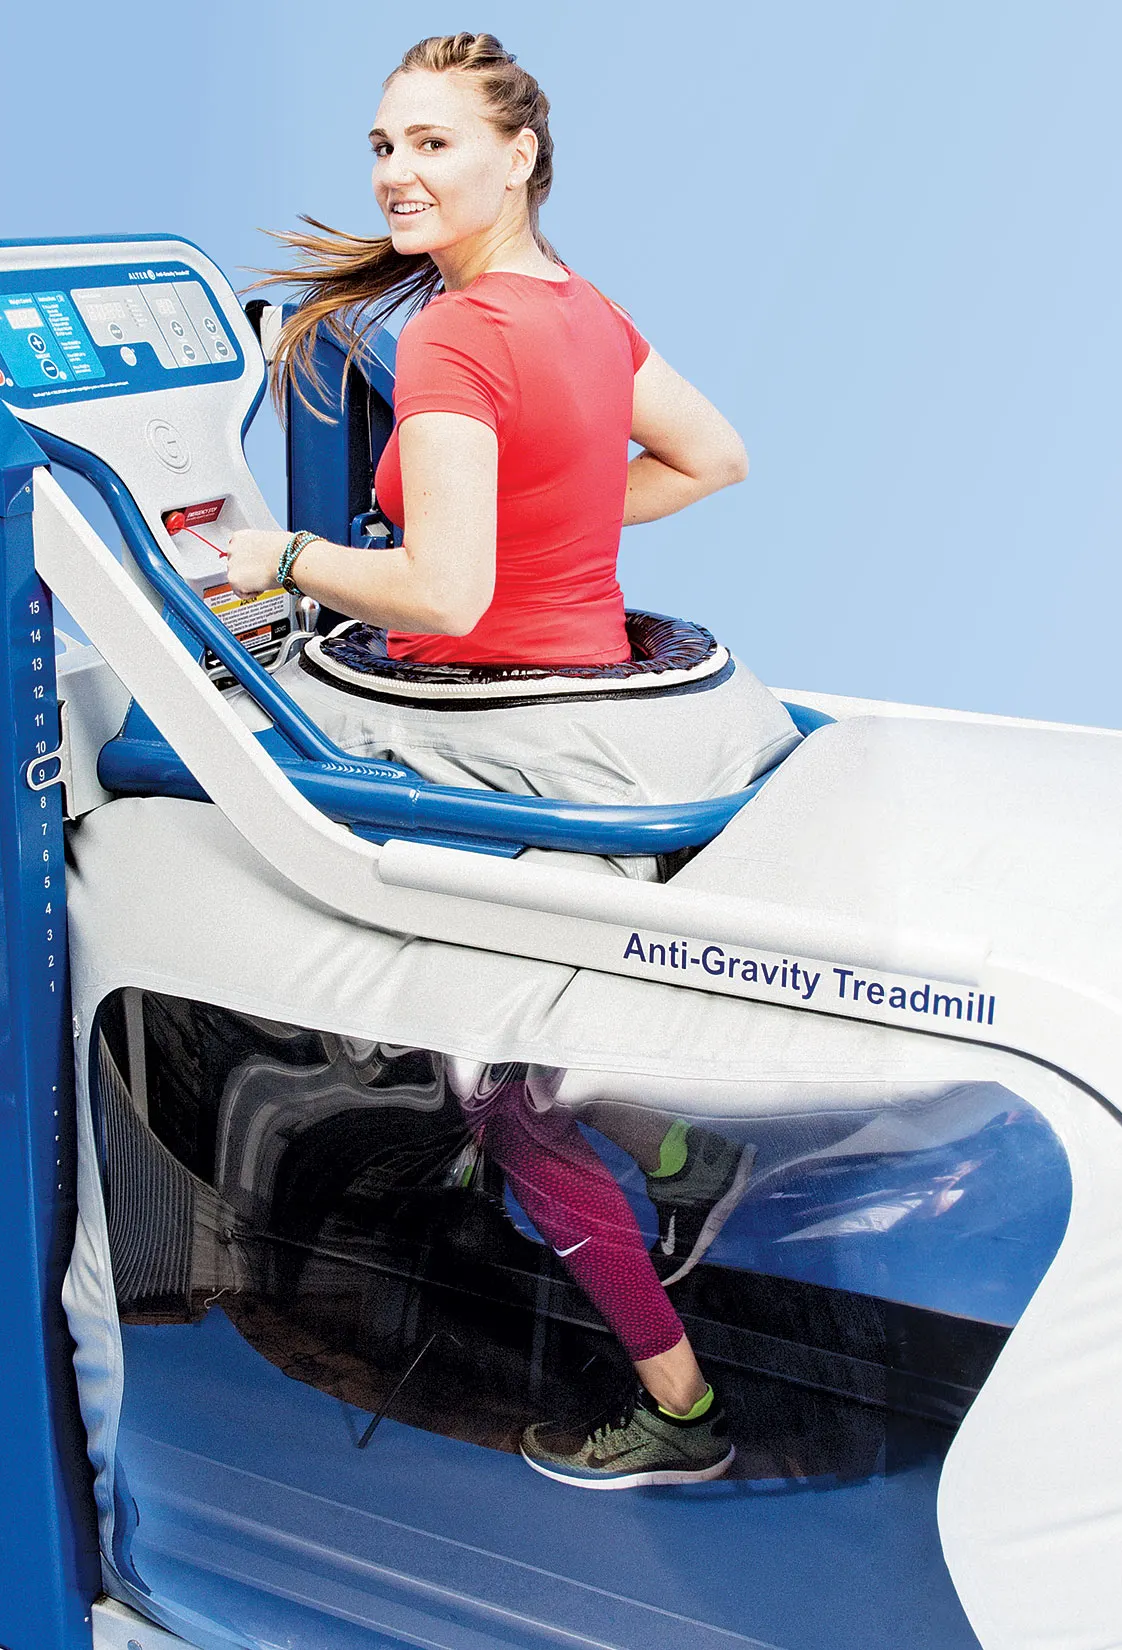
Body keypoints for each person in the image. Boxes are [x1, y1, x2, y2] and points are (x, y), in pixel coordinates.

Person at [225, 32, 786, 1489]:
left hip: (506, 747)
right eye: (382, 147)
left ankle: (679, 1411)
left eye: (432, 144)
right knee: (525, 1037)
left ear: (519, 153)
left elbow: (449, 596)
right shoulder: (583, 311)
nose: (396, 175)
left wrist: (279, 555)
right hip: (606, 717)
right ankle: (671, 1159)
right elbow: (714, 456)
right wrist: (565, 522)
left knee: (502, 1096)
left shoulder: (457, 340)